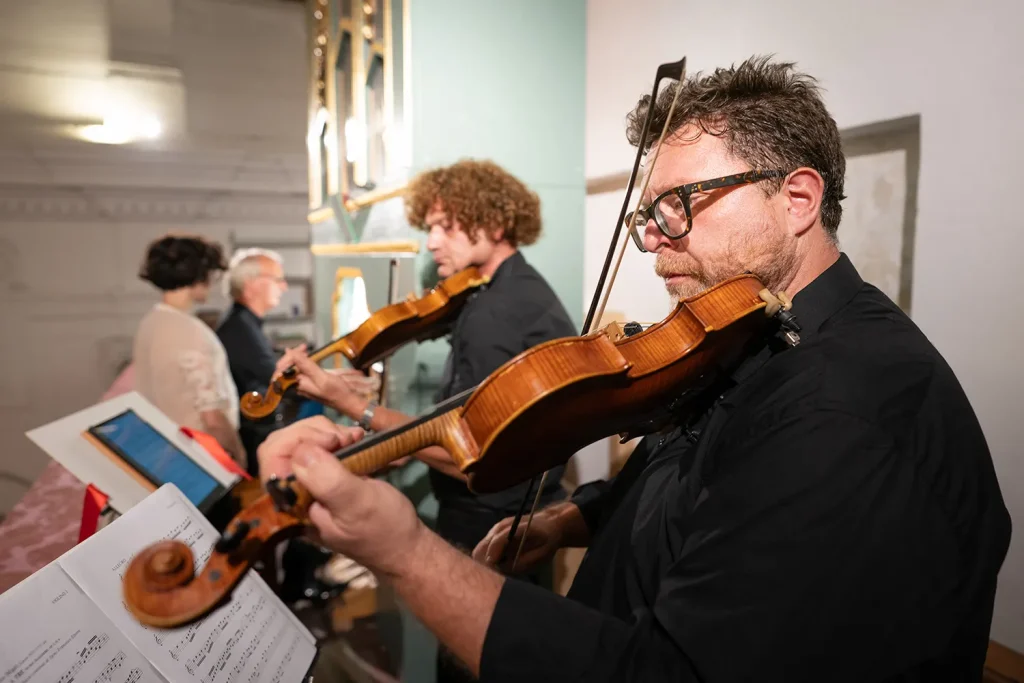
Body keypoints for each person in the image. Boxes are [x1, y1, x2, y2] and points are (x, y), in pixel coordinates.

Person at [258, 57, 1012, 682]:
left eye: (680, 205)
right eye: (647, 217)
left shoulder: (843, 408)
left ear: (798, 199)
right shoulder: (749, 332)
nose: (654, 243)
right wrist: (568, 518)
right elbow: (684, 466)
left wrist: (405, 553)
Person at [273, 159, 578, 680]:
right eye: (430, 227)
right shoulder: (515, 291)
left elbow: (469, 456)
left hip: (489, 524)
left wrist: (353, 407)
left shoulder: (493, 314)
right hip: (520, 517)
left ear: (496, 222)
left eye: (447, 226)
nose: (433, 242)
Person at [133, 234, 246, 467]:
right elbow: (212, 416)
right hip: (203, 457)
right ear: (198, 275)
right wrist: (238, 456)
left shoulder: (150, 323)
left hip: (166, 454)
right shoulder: (190, 331)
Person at [215, 247, 290, 475]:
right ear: (251, 285)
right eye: (278, 279)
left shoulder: (245, 324)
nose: (284, 286)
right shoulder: (239, 329)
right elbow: (275, 379)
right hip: (254, 443)